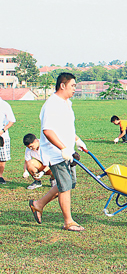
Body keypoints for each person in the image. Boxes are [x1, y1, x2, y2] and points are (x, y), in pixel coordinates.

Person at [28, 72, 87, 232]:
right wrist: (62, 148)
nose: (75, 88)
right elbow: (48, 130)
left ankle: (38, 204)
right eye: (73, 85)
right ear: (63, 85)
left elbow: (65, 127)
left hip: (67, 151)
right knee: (65, 185)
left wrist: (77, 141)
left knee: (69, 183)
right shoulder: (52, 104)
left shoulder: (66, 103)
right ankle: (68, 222)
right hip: (56, 153)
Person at [0, 95, 16, 184]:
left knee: (2, 158)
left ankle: (0, 176)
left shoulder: (4, 105)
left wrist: (3, 130)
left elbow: (12, 120)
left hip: (2, 136)